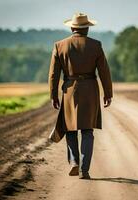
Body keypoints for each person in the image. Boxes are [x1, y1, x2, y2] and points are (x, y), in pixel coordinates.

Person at [48, 13, 113, 179]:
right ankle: (84, 170)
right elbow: (104, 72)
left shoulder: (59, 45)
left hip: (69, 91)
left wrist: (53, 95)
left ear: (72, 28)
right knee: (87, 130)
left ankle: (74, 162)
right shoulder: (96, 45)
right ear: (87, 29)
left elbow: (53, 75)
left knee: (70, 129)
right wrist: (108, 93)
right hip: (90, 90)